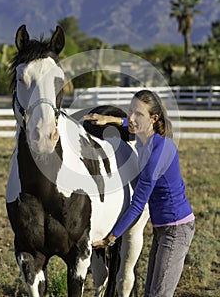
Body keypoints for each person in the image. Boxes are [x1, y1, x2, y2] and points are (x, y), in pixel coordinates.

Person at [84, 89, 195, 297]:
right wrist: (109, 119)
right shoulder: (144, 138)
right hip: (162, 228)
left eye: (138, 114)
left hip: (177, 229)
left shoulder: (159, 151)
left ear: (153, 119)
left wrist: (110, 239)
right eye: (130, 111)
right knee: (149, 293)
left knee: (159, 294)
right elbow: (128, 124)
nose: (131, 118)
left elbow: (137, 204)